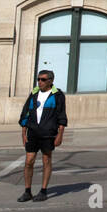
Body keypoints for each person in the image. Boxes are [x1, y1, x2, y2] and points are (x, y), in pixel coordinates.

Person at [18, 69, 67, 202]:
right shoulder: (34, 93)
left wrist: (60, 135)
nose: (40, 82)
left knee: (46, 160)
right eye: (38, 79)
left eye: (43, 79)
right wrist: (23, 133)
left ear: (50, 81)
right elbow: (25, 113)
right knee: (29, 161)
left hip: (48, 133)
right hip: (33, 132)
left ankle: (43, 191)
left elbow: (61, 115)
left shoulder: (57, 95)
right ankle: (27, 191)